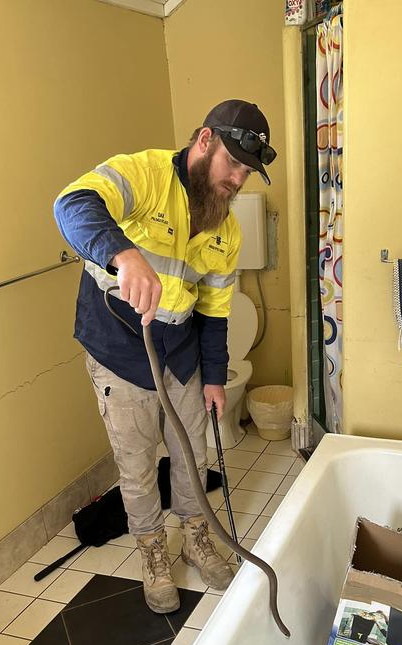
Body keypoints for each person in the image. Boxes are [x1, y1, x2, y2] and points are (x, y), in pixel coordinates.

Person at [54, 100, 276, 615]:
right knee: (135, 470)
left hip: (179, 358)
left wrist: (215, 379)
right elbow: (72, 203)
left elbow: (217, 312)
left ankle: (197, 538)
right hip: (118, 353)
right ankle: (154, 554)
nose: (238, 179)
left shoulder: (227, 228)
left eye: (247, 171)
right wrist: (123, 253)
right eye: (232, 163)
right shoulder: (145, 174)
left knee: (192, 458)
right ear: (204, 141)